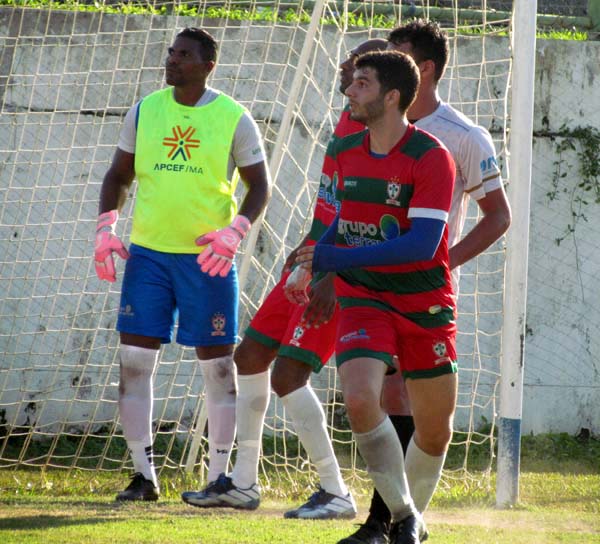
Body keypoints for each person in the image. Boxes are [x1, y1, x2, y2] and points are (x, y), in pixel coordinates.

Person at [179, 38, 387, 519]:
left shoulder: (379, 136)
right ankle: (244, 485)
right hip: (315, 259)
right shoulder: (348, 122)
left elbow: (369, 214)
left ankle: (335, 491)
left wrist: (331, 275)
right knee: (249, 355)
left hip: (341, 273)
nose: (342, 68)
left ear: (377, 82)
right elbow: (334, 204)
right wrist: (304, 252)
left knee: (289, 374)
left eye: (356, 66)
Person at [339, 21, 511, 544]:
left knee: (418, 410)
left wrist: (441, 262)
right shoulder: (359, 129)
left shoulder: (461, 137)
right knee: (378, 394)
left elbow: (498, 216)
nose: (386, 58)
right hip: (367, 289)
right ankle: (384, 521)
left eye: (398, 53)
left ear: (424, 69)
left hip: (424, 292)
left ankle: (397, 520)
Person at [94, 27, 271, 501]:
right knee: (133, 363)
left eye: (184, 55)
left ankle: (218, 478)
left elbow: (260, 186)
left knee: (218, 368)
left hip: (207, 260)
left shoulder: (233, 117)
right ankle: (143, 476)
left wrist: (236, 231)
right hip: (148, 256)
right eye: (171, 52)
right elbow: (118, 174)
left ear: (208, 65)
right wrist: (105, 229)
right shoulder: (145, 109)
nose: (172, 60)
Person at [287, 49, 456, 544]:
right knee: (360, 398)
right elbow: (346, 216)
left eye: (361, 83)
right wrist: (315, 257)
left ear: (392, 96)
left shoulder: (431, 157)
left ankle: (408, 521)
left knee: (434, 432)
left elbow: (422, 245)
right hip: (366, 297)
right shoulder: (344, 150)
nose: (349, 90)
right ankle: (404, 520)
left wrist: (332, 259)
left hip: (424, 302)